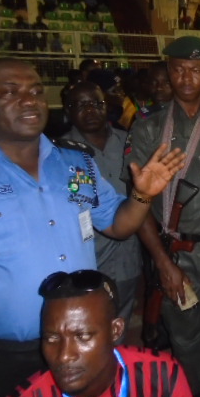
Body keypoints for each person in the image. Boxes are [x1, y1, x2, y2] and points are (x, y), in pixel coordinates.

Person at [0, 57, 185, 397]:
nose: (29, 100)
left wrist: (143, 195)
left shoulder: (76, 162)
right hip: (6, 353)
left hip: (85, 343)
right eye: (10, 92)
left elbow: (118, 225)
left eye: (34, 91)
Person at [124, 37, 200, 397]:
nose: (186, 77)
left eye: (196, 69)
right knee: (186, 339)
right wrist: (163, 264)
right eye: (178, 69)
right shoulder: (149, 128)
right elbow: (139, 205)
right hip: (176, 254)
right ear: (167, 71)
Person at [0, 270, 196, 397]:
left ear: (115, 330)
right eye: (52, 338)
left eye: (82, 336)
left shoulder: (161, 376)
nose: (64, 355)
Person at [63, 81, 142, 333]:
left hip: (128, 254)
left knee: (120, 323)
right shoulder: (60, 153)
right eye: (81, 105)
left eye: (96, 103)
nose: (90, 110)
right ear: (68, 110)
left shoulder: (128, 142)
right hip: (89, 259)